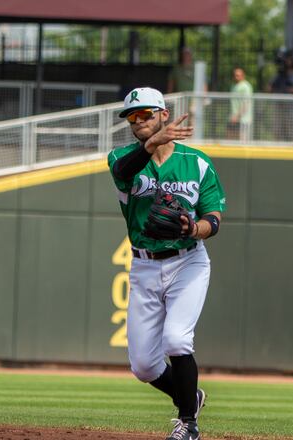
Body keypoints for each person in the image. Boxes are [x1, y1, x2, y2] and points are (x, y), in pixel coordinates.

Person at [107, 87, 226, 440]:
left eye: (146, 113)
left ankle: (187, 423)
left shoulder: (197, 162)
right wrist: (149, 144)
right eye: (132, 117)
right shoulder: (120, 159)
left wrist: (196, 228)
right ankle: (191, 396)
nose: (139, 121)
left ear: (164, 113)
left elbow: (214, 218)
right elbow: (127, 170)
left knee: (177, 339)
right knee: (143, 365)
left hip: (188, 261)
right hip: (144, 266)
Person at [228, 67, 253, 142]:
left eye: (238, 75)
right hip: (234, 118)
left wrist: (237, 116)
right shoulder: (233, 86)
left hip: (244, 119)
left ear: (243, 76)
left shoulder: (246, 86)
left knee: (243, 142)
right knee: (231, 141)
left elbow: (246, 103)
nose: (236, 77)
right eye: (235, 75)